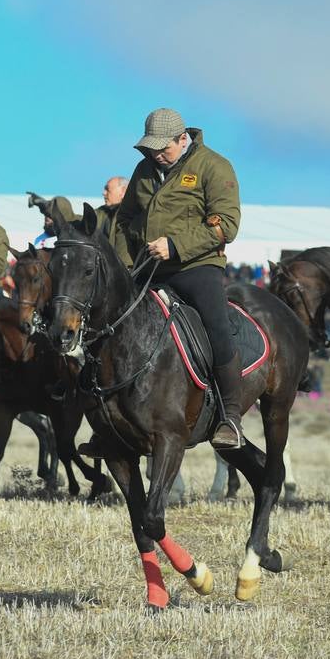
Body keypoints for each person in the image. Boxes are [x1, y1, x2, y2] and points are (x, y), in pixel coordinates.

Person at [115, 108, 245, 449]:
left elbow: (225, 225)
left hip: (197, 266)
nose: (157, 154)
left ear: (182, 139)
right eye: (151, 148)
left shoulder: (214, 166)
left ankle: (230, 417)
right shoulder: (144, 169)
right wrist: (127, 261)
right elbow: (125, 218)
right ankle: (111, 424)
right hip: (147, 268)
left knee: (216, 326)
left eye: (164, 148)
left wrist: (175, 246)